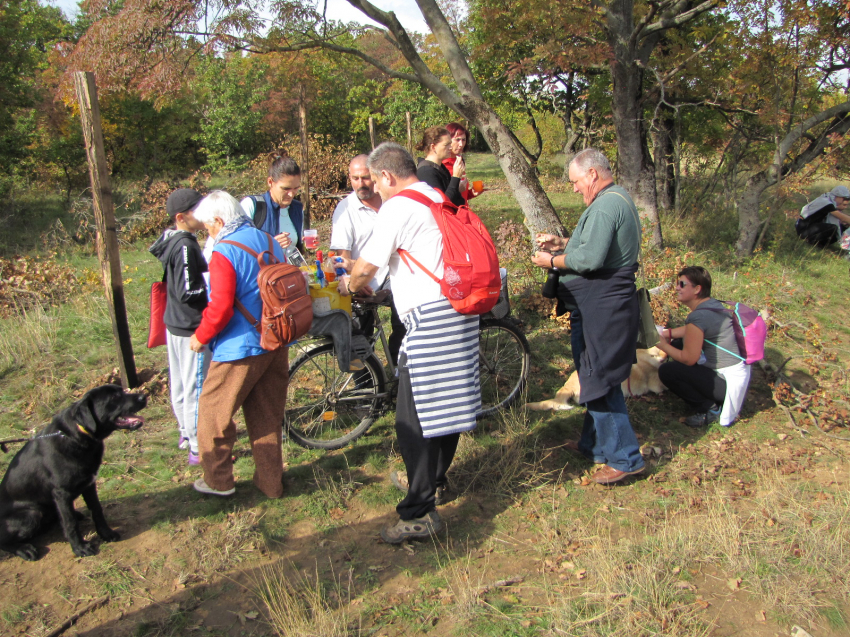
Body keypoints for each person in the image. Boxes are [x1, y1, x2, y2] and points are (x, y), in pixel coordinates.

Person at [347, 142, 481, 543]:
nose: (376, 190)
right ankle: (433, 481)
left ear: (386, 176)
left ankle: (418, 512)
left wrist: (349, 283)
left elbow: (365, 270)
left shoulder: (399, 206)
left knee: (413, 416)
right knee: (447, 405)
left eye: (376, 181)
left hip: (431, 318)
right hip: (461, 308)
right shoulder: (436, 195)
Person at [531, 148, 645, 485]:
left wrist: (551, 262)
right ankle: (594, 445)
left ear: (592, 174)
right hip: (603, 306)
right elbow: (596, 245)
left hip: (604, 308)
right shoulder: (615, 199)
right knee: (593, 373)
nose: (576, 188)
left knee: (600, 379)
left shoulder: (607, 204)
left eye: (576, 182)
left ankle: (627, 458)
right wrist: (563, 242)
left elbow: (592, 259)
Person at [189, 191, 289, 498]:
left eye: (208, 227)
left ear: (219, 221)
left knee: (212, 414)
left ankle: (219, 481)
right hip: (276, 340)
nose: (208, 233)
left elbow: (219, 308)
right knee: (267, 416)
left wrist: (200, 338)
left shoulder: (224, 251)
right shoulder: (270, 241)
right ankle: (271, 483)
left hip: (240, 347)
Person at [148, 188, 210, 465]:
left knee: (182, 384)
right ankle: (198, 446)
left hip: (174, 324)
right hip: (190, 327)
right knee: (196, 386)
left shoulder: (173, 239)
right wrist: (215, 292)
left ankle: (186, 432)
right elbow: (188, 290)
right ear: (182, 217)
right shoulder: (186, 245)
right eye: (198, 210)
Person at [330, 154, 406, 365]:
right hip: (363, 278)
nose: (360, 184)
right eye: (355, 179)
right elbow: (341, 256)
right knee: (360, 336)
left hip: (393, 274)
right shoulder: (345, 210)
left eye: (364, 178)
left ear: (375, 175)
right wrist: (354, 281)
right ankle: (365, 385)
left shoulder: (390, 199)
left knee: (405, 321)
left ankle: (397, 370)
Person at [656, 266, 751, 428]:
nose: (677, 287)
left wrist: (661, 344)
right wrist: (667, 333)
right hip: (736, 376)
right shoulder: (713, 305)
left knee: (668, 371)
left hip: (724, 384)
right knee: (678, 343)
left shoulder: (699, 316)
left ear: (697, 289)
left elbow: (688, 359)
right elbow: (691, 331)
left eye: (682, 284)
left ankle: (710, 409)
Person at [240, 154, 305, 256]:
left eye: (296, 188)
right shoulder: (252, 205)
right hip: (261, 271)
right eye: (286, 189)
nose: (291, 194)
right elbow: (237, 246)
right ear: (270, 182)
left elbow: (295, 248)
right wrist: (270, 245)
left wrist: (307, 241)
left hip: (290, 270)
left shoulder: (297, 208)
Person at [414, 126, 466, 206]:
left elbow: (450, 195)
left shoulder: (440, 167)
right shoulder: (426, 172)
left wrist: (457, 189)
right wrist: (456, 177)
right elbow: (442, 205)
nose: (450, 147)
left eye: (450, 144)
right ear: (433, 147)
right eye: (446, 145)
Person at [441, 122, 475, 202]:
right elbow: (442, 199)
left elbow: (461, 196)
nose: (461, 144)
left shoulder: (459, 160)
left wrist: (472, 193)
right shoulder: (441, 164)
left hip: (462, 211)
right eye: (457, 140)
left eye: (463, 140)